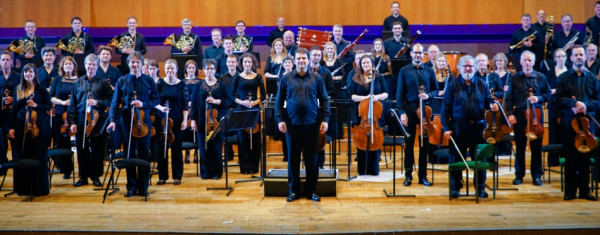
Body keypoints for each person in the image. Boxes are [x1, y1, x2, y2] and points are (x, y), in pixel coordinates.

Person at [276, 47, 330, 202]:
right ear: (294, 61)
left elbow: (325, 100)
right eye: (298, 59)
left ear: (308, 60)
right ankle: (293, 192)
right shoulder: (286, 78)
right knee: (292, 161)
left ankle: (311, 191)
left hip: (312, 125)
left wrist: (325, 120)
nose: (301, 61)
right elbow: (279, 101)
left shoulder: (317, 78)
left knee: (312, 161)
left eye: (303, 59)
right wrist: (280, 119)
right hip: (291, 125)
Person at [442, 55, 498, 198]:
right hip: (458, 128)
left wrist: (493, 105)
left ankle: (480, 188)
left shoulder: (482, 84)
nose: (468, 68)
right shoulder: (452, 85)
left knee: (480, 159)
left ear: (475, 68)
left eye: (471, 66)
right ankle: (455, 188)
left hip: (478, 129)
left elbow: (488, 101)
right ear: (460, 68)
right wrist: (446, 128)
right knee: (456, 159)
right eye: (465, 66)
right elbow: (445, 109)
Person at [107, 52, 160, 197]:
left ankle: (143, 187)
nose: (135, 65)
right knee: (129, 153)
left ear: (142, 65)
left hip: (144, 121)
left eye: (137, 63)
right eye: (132, 62)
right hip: (127, 121)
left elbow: (156, 100)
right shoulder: (122, 81)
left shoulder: (149, 81)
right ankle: (131, 186)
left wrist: (143, 103)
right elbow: (115, 103)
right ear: (128, 64)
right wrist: (112, 120)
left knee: (144, 153)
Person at [555, 45, 599, 201]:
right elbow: (557, 100)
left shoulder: (593, 79)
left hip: (587, 124)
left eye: (582, 55)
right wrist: (573, 105)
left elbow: (598, 101)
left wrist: (585, 105)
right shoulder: (563, 78)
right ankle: (570, 191)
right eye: (576, 55)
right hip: (569, 123)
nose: (579, 57)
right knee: (571, 157)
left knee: (585, 157)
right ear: (571, 58)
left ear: (586, 57)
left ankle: (585, 191)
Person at [503, 50, 550, 186]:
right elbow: (509, 98)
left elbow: (548, 94)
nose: (528, 63)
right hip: (519, 116)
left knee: (536, 147)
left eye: (530, 60)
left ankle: (536, 175)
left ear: (534, 62)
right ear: (521, 62)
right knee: (520, 147)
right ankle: (519, 175)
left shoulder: (541, 77)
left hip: (536, 116)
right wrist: (511, 114)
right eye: (525, 60)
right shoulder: (514, 78)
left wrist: (539, 98)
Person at [68, 54, 113, 187]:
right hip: (82, 118)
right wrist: (73, 122)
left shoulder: (103, 82)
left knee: (98, 149)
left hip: (97, 120)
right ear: (85, 65)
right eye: (89, 64)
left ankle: (95, 176)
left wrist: (97, 102)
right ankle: (83, 177)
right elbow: (73, 104)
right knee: (82, 149)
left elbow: (110, 101)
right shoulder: (77, 82)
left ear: (97, 66)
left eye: (94, 65)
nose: (91, 67)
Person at [396, 43, 437, 186]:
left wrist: (429, 95)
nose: (418, 55)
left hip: (424, 111)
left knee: (424, 145)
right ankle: (408, 175)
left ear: (423, 54)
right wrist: (401, 112)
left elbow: (436, 90)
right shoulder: (404, 71)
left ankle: (423, 176)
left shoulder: (429, 70)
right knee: (409, 144)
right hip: (409, 109)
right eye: (416, 52)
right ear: (411, 54)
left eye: (421, 53)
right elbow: (399, 94)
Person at [7, 63, 51, 196]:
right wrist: (11, 127)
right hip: (21, 126)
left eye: (30, 72)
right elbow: (14, 110)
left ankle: (39, 188)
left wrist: (36, 105)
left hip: (38, 127)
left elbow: (48, 106)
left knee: (38, 155)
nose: (28, 75)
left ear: (35, 74)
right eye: (25, 72)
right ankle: (23, 188)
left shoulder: (40, 89)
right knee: (22, 154)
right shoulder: (18, 89)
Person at [191, 59, 232, 180]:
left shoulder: (221, 85)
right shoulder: (198, 85)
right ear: (204, 70)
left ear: (215, 70)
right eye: (207, 68)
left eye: (211, 68)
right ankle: (206, 173)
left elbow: (229, 101)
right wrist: (193, 120)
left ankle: (216, 172)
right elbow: (193, 103)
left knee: (216, 147)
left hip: (217, 121)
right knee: (203, 148)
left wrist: (216, 101)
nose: (209, 71)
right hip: (201, 121)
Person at [349, 55, 388, 175]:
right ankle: (362, 169)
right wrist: (365, 98)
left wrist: (377, 97)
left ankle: (373, 169)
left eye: (368, 63)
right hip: (361, 115)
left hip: (376, 114)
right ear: (360, 65)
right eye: (364, 63)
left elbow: (386, 94)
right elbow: (352, 96)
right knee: (361, 140)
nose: (366, 65)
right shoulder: (356, 78)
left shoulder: (379, 77)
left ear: (372, 64)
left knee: (375, 141)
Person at [155, 59, 188, 184]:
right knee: (161, 148)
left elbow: (185, 104)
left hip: (177, 120)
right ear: (165, 69)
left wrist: (185, 120)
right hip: (162, 120)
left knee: (176, 148)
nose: (169, 71)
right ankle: (162, 177)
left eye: (172, 68)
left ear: (176, 70)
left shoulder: (181, 84)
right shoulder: (160, 83)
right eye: (167, 68)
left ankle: (177, 176)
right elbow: (154, 101)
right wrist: (161, 108)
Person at [232, 53, 265, 175]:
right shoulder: (237, 77)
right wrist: (242, 101)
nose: (247, 64)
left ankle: (254, 166)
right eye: (245, 62)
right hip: (241, 109)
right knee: (243, 140)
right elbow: (231, 95)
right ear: (241, 64)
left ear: (253, 63)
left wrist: (255, 102)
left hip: (254, 110)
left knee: (255, 139)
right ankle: (244, 167)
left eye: (249, 62)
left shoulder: (258, 77)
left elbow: (262, 95)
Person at [49, 56, 78, 179]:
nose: (68, 66)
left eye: (70, 64)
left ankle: (83, 170)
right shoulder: (57, 79)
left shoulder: (79, 80)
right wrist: (62, 102)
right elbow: (50, 97)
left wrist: (72, 102)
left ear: (74, 66)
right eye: (65, 64)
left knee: (80, 143)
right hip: (60, 115)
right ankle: (66, 169)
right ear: (62, 66)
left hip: (75, 114)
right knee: (62, 142)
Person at [309, 47, 336, 168]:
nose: (316, 57)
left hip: (320, 109)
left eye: (318, 55)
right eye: (314, 55)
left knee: (320, 134)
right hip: (307, 109)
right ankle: (309, 161)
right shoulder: (303, 71)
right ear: (310, 56)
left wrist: (320, 96)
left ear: (321, 57)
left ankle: (320, 163)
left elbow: (331, 90)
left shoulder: (326, 72)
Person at [543, 49, 567, 167]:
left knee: (565, 131)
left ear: (566, 58)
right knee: (553, 132)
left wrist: (556, 91)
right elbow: (546, 90)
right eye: (558, 56)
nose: (561, 58)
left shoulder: (569, 72)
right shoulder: (550, 73)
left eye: (563, 56)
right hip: (553, 105)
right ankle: (553, 160)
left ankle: (564, 158)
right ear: (555, 58)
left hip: (566, 106)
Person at [0, 52, 20, 176]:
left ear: (11, 62)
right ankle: (2, 167)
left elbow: (22, 92)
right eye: (3, 60)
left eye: (8, 60)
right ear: (0, 62)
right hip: (0, 114)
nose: (5, 62)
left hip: (13, 113)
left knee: (15, 142)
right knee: (1, 143)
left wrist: (13, 99)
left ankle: (17, 168)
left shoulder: (18, 76)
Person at [219, 54, 240, 161]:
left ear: (237, 63)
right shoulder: (222, 78)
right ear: (226, 63)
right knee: (226, 131)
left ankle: (242, 156)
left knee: (240, 132)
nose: (231, 64)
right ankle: (228, 155)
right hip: (226, 108)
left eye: (233, 62)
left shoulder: (241, 76)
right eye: (229, 62)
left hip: (239, 108)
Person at [182, 60, 201, 164]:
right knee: (186, 131)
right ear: (186, 69)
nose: (191, 70)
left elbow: (200, 96)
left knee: (196, 129)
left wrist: (193, 103)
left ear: (196, 69)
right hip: (185, 109)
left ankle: (197, 152)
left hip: (196, 109)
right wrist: (187, 103)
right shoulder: (182, 82)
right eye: (189, 68)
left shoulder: (199, 82)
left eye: (193, 68)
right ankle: (187, 152)